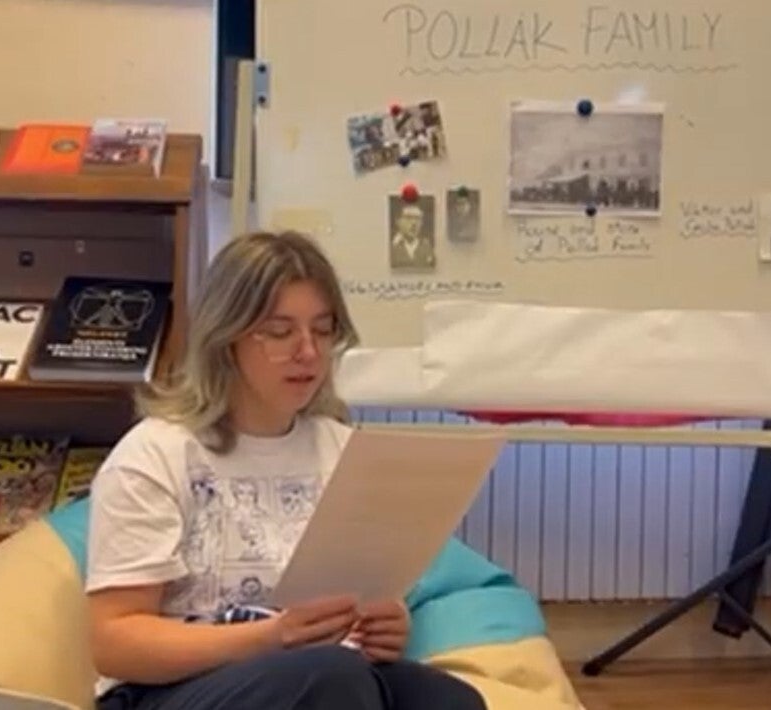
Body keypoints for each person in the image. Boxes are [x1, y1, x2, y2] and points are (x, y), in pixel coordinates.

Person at [86, 230, 487, 710]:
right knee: (331, 676)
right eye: (280, 332)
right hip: (166, 691)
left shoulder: (340, 448)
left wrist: (385, 623)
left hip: (312, 673)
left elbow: (357, 599)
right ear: (225, 338)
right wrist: (271, 637)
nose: (308, 352)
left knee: (449, 700)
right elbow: (114, 643)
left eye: (323, 330)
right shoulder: (154, 454)